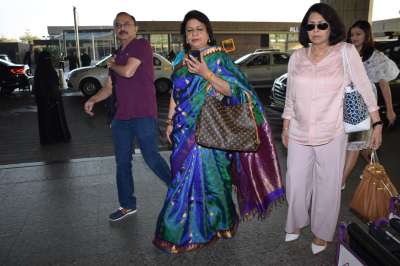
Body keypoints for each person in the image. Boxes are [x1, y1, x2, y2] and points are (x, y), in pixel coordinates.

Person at [153, 10, 284, 253]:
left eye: (199, 29)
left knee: (210, 182)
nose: (194, 34)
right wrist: (170, 121)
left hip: (210, 131)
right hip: (184, 129)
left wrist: (207, 74)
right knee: (182, 177)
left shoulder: (219, 58)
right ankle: (202, 226)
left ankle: (203, 227)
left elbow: (237, 92)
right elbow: (175, 91)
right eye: (189, 30)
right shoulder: (181, 58)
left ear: (208, 32)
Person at [282, 3, 383, 255]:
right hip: (298, 131)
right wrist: (285, 125)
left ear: (331, 27)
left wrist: (377, 123)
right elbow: (290, 96)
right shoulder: (297, 57)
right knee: (295, 181)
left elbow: (363, 87)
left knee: (328, 184)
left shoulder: (345, 52)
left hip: (332, 130)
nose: (315, 30)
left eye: (321, 25)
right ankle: (295, 222)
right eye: (311, 25)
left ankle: (322, 233)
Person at [83, 12, 171, 222]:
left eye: (127, 24)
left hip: (142, 113)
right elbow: (110, 87)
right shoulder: (116, 55)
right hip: (121, 117)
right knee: (122, 162)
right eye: (118, 25)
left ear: (135, 28)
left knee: (151, 157)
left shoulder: (141, 45)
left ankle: (179, 190)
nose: (122, 27)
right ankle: (127, 205)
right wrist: (93, 99)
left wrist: (112, 65)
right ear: (115, 30)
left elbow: (129, 71)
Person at [341, 20, 400, 189]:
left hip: (364, 105)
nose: (354, 38)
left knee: (354, 143)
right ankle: (374, 168)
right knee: (360, 146)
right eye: (352, 34)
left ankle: (341, 181)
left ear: (367, 36)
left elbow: (383, 84)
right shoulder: (345, 53)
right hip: (345, 103)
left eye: (358, 34)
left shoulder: (375, 57)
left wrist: (389, 109)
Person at [33, 51, 71, 145]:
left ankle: (48, 138)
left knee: (45, 119)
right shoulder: (50, 70)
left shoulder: (39, 71)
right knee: (57, 119)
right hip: (54, 99)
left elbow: (36, 88)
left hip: (43, 100)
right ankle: (59, 136)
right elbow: (55, 84)